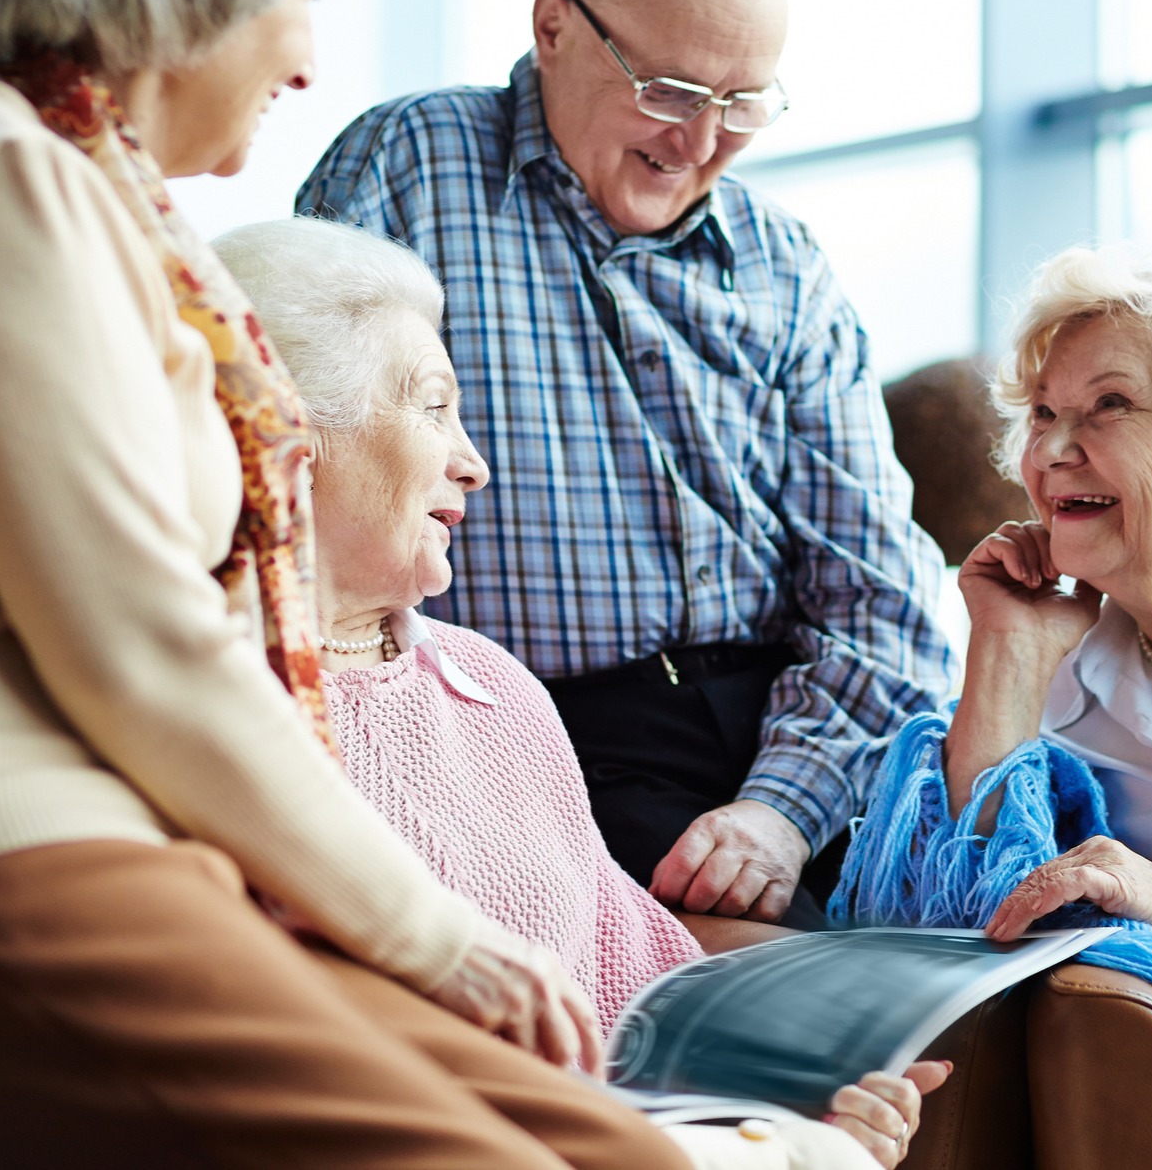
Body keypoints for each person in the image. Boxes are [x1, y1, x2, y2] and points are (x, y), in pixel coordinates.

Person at [0, 0, 725, 1168]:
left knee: (635, 1152)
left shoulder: (108, 207)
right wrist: (431, 935)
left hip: (146, 834)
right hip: (16, 836)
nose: (306, 56)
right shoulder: (0, 173)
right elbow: (142, 646)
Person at [215, 215, 953, 1170]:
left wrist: (790, 1102)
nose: (474, 463)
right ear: (289, 432)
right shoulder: (197, 707)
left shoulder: (494, 690)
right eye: (434, 409)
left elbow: (636, 986)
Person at [297, 0, 956, 928]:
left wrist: (780, 814)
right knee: (797, 1015)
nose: (701, 143)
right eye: (672, 90)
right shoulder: (412, 164)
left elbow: (886, 599)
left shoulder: (784, 263)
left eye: (742, 103)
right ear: (552, 25)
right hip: (528, 734)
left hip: (793, 739)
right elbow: (310, 476)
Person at [832, 248, 1152, 1170]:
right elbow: (936, 940)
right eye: (1041, 414)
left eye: (1108, 406)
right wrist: (1007, 654)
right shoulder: (1062, 651)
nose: (1050, 450)